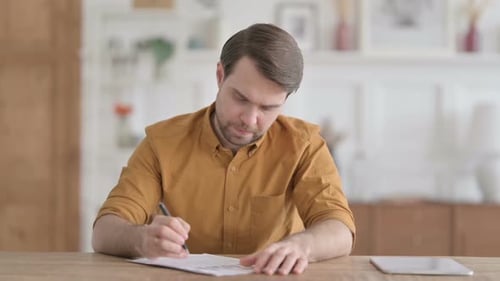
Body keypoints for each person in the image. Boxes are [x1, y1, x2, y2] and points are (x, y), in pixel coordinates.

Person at [92, 23, 355, 276]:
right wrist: (141, 239)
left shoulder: (304, 145)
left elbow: (340, 229)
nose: (250, 119)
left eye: (267, 108)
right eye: (241, 98)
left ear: (284, 100)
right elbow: (104, 231)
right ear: (220, 76)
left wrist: (301, 246)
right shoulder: (162, 143)